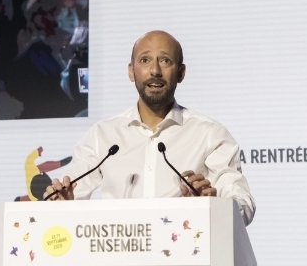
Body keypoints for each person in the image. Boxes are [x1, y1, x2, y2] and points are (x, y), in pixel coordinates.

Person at [44, 31, 255, 225]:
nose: (155, 71)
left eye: (165, 61)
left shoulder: (209, 134)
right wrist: (61, 203)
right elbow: (66, 199)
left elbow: (243, 206)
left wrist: (214, 205)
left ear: (181, 73)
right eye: (145, 60)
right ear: (131, 71)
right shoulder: (103, 135)